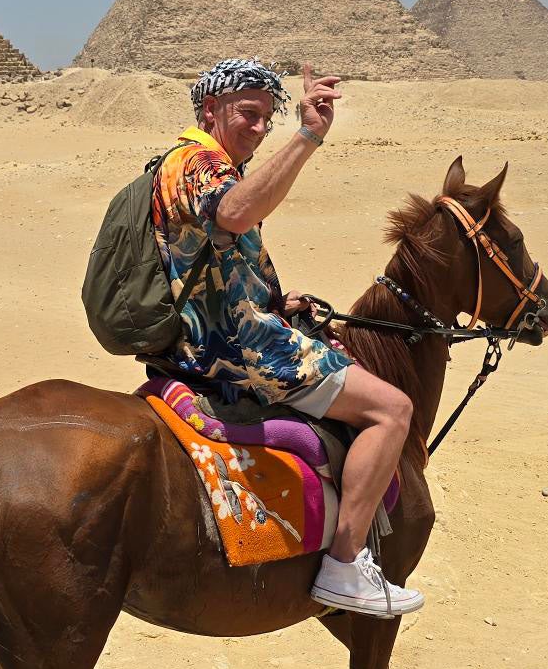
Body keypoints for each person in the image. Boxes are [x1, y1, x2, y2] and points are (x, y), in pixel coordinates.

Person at [148, 57, 423, 618]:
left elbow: (216, 257)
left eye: (266, 119)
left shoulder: (202, 163)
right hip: (236, 348)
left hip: (225, 329)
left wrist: (278, 303)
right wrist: (306, 136)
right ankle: (344, 566)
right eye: (247, 114)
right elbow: (234, 214)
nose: (257, 128)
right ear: (210, 111)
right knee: (392, 409)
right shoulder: (195, 160)